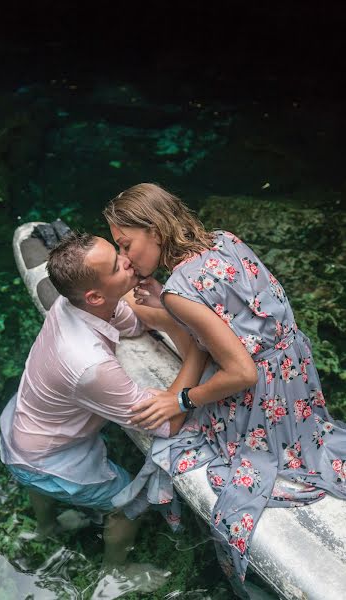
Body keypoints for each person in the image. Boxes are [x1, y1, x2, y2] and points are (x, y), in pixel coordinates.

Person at [103, 182, 346, 586]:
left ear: (156, 231)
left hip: (261, 397)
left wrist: (182, 399)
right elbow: (228, 316)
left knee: (175, 446)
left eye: (126, 245)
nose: (124, 258)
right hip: (297, 376)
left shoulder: (180, 292)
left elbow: (242, 373)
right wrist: (168, 300)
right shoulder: (224, 240)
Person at [0, 230, 207, 592]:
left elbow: (132, 321)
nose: (128, 259)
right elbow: (168, 423)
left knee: (34, 474)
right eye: (117, 264)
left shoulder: (75, 303)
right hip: (48, 460)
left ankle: (47, 527)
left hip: (21, 430)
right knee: (132, 501)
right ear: (95, 294)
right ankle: (114, 571)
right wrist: (197, 352)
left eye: (119, 253)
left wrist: (171, 316)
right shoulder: (90, 364)